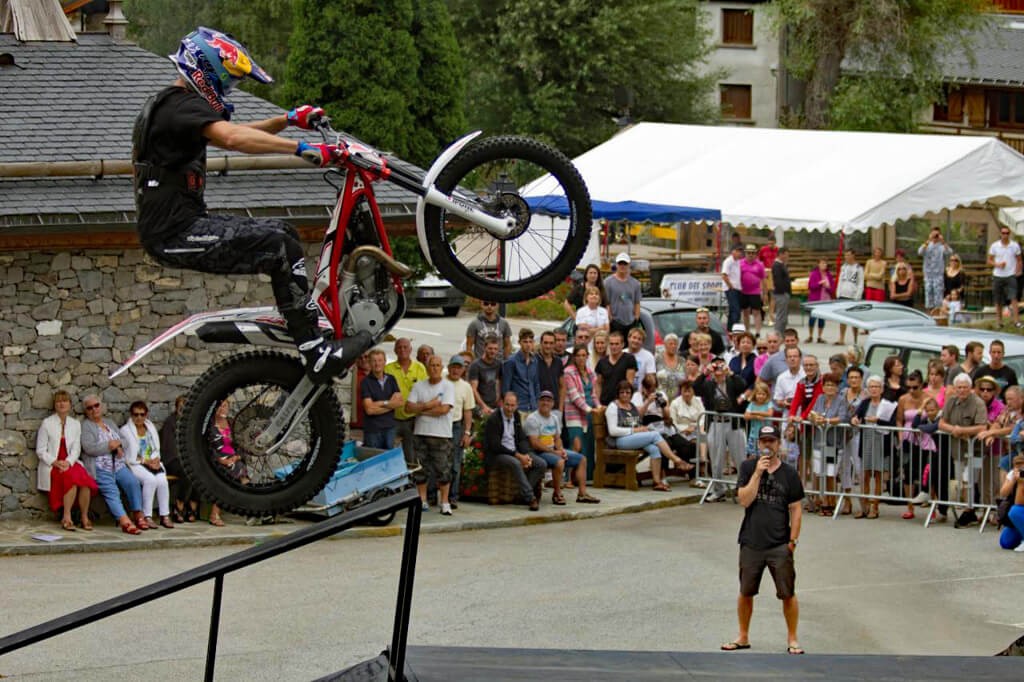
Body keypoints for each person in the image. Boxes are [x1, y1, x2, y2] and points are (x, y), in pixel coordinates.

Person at [134, 27, 371, 383]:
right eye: (228, 82)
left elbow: (235, 130)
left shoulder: (175, 106)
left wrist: (287, 120)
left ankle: (307, 315)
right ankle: (314, 350)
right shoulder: (177, 106)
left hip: (185, 225)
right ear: (207, 70)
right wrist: (300, 149)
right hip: (174, 233)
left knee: (282, 231)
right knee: (280, 246)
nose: (229, 92)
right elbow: (232, 137)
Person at [721, 424, 804, 655]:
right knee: (746, 591)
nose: (768, 445)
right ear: (758, 444)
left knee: (787, 593)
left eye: (772, 441)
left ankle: (793, 638)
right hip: (751, 541)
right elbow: (744, 500)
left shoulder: (789, 473)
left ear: (778, 444)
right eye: (764, 441)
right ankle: (743, 636)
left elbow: (796, 509)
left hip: (779, 542)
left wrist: (793, 541)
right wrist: (758, 473)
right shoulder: (748, 467)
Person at [79, 395, 146, 534]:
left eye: (96, 405)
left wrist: (119, 444)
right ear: (86, 411)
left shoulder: (109, 422)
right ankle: (125, 522)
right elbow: (89, 448)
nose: (94, 409)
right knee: (112, 491)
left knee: (132, 482)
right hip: (101, 466)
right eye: (89, 408)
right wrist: (110, 445)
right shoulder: (86, 426)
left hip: (119, 465)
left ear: (101, 406)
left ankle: (138, 514)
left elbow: (125, 441)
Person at [36, 390, 97, 532]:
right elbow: (40, 450)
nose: (62, 404)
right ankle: (67, 516)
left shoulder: (75, 424)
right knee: (71, 478)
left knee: (85, 481)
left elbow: (76, 449)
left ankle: (84, 516)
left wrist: (68, 462)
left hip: (70, 462)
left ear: (70, 404)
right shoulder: (47, 423)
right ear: (55, 405)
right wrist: (55, 462)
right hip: (53, 465)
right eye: (58, 401)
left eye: (65, 401)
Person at [526, 391, 600, 505]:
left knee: (582, 459)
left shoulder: (554, 418)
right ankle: (557, 493)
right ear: (538, 402)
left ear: (552, 403)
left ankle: (582, 494)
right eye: (543, 400)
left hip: (553, 450)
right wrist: (555, 452)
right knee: (560, 462)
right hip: (539, 452)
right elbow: (534, 443)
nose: (545, 403)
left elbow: (557, 438)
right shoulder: (532, 418)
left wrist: (561, 450)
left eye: (548, 400)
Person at [605, 381, 678, 491]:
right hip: (619, 441)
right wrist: (634, 430)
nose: (625, 394)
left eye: (627, 392)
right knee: (655, 435)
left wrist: (642, 429)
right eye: (622, 392)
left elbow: (637, 422)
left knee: (655, 449)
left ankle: (657, 482)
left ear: (631, 394)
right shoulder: (613, 407)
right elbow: (613, 431)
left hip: (633, 438)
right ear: (618, 394)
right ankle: (676, 459)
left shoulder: (631, 406)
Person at [405, 355, 455, 514]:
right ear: (427, 368)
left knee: (443, 469)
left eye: (437, 365)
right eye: (431, 365)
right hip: (420, 433)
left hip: (441, 434)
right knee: (421, 468)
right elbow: (408, 408)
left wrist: (421, 411)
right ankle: (422, 499)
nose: (434, 368)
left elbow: (443, 410)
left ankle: (445, 502)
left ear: (442, 368)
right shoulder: (419, 386)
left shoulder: (447, 386)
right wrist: (429, 405)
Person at [938, 373, 988, 528]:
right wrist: (954, 429)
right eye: (959, 387)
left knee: (970, 480)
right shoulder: (951, 402)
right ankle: (969, 511)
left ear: (970, 388)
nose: (962, 390)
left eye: (965, 387)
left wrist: (963, 430)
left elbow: (982, 426)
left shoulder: (978, 403)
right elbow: (941, 423)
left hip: (976, 450)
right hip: (957, 449)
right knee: (961, 480)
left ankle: (969, 510)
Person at [695, 358, 749, 501]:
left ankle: (744, 488)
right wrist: (704, 373)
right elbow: (695, 388)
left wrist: (730, 373)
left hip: (733, 423)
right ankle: (718, 489)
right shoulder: (708, 384)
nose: (718, 371)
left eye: (721, 367)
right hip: (715, 423)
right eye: (716, 367)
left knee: (740, 458)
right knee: (716, 459)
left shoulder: (732, 381)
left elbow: (743, 386)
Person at [483, 392, 547, 511]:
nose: (510, 408)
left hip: (515, 452)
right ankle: (530, 498)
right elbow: (495, 446)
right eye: (507, 405)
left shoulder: (516, 416)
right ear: (502, 403)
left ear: (517, 405)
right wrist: (518, 456)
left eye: (513, 405)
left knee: (541, 464)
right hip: (498, 454)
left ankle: (521, 494)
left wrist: (527, 455)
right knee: (516, 463)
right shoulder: (494, 418)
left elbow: (521, 439)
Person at [120, 400, 173, 529]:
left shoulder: (150, 428)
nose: (139, 418)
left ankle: (164, 515)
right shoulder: (125, 431)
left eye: (142, 414)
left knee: (162, 481)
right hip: (136, 464)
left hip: (153, 462)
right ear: (131, 415)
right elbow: (129, 454)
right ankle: (147, 516)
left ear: (146, 415)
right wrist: (145, 462)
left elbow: (156, 447)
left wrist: (155, 460)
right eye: (136, 414)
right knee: (150, 480)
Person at [851, 376, 896, 519]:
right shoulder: (865, 403)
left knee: (877, 475)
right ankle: (864, 506)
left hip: (881, 441)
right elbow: (856, 416)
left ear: (882, 389)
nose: (874, 389)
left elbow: (893, 423)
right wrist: (854, 419)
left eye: (877, 386)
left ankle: (874, 507)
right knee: (865, 474)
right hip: (866, 441)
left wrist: (878, 420)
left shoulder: (887, 404)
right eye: (871, 387)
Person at [807, 373, 850, 516]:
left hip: (833, 443)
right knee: (819, 472)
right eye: (827, 385)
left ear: (837, 387)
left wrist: (826, 421)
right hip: (819, 442)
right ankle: (822, 499)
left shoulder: (841, 400)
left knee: (830, 472)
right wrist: (815, 418)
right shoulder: (820, 398)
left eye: (832, 385)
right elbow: (811, 414)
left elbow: (843, 417)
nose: (829, 387)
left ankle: (830, 501)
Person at [386, 337, 427, 470]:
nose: (402, 350)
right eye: (399, 347)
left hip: (412, 420)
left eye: (405, 347)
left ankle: (413, 482)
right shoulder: (388, 369)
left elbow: (425, 392)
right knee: (389, 452)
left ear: (410, 349)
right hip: (393, 418)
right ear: (395, 350)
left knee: (412, 455)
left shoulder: (419, 368)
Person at [161, 395, 200, 523]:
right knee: (188, 471)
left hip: (188, 460)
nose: (183, 410)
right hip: (172, 460)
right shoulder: (170, 423)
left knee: (200, 470)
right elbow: (169, 447)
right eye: (181, 408)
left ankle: (192, 505)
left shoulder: (191, 424)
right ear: (176, 408)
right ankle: (180, 503)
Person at [208, 398, 247, 526]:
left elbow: (242, 444)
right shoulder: (210, 425)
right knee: (233, 472)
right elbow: (207, 446)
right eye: (220, 406)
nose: (222, 409)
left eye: (224, 406)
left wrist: (237, 457)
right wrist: (220, 460)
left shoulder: (232, 423)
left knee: (237, 468)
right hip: (217, 459)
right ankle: (214, 514)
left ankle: (216, 513)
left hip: (234, 458)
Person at [564, 343, 600, 479]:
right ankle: (570, 478)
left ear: (587, 356)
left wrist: (598, 407)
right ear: (574, 357)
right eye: (578, 355)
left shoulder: (591, 373)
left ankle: (586, 477)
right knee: (576, 445)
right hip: (575, 415)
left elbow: (594, 394)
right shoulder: (569, 372)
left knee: (589, 446)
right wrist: (590, 409)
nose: (581, 358)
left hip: (590, 415)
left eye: (584, 355)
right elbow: (574, 396)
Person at [447, 355, 475, 509]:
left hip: (456, 426)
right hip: (439, 426)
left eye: (459, 367)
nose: (456, 370)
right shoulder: (441, 382)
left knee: (455, 464)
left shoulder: (466, 387)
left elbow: (468, 411)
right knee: (436, 462)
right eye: (454, 367)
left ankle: (453, 496)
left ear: (463, 370)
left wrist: (467, 432)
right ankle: (432, 495)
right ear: (449, 367)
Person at [360, 349, 404, 450]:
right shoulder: (365, 382)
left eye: (380, 360)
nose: (377, 364)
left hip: (390, 428)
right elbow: (369, 410)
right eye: (374, 361)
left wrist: (380, 404)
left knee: (388, 460)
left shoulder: (391, 379)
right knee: (372, 460)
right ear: (370, 363)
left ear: (385, 362)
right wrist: (390, 404)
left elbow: (400, 402)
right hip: (372, 430)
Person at [669, 380, 706, 475]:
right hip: (682, 431)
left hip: (696, 427)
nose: (687, 394)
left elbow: (702, 416)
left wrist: (698, 426)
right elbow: (673, 422)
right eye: (684, 391)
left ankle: (703, 459)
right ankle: (696, 471)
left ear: (693, 391)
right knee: (693, 443)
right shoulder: (675, 403)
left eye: (689, 391)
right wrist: (684, 429)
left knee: (704, 435)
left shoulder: (698, 401)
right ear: (681, 391)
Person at [989, 225, 1023, 327]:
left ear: (1009, 234)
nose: (1005, 235)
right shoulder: (995, 246)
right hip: (998, 274)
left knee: (1013, 298)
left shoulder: (1014, 245)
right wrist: (997, 264)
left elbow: (1019, 259)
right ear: (1000, 234)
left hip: (1010, 274)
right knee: (998, 299)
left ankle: (1016, 321)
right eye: (1003, 233)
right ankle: (999, 321)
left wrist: (1018, 270)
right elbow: (989, 260)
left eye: (1007, 233)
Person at [594, 331, 637, 406]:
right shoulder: (602, 362)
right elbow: (598, 384)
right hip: (605, 403)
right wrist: (598, 403)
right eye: (611, 344)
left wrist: (625, 401)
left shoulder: (629, 359)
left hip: (622, 403)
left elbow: (630, 383)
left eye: (617, 344)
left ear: (622, 345)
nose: (614, 346)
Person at [605, 252, 643, 337]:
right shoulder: (608, 282)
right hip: (615, 322)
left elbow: (637, 303)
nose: (622, 266)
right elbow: (606, 303)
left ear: (629, 265)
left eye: (625, 263)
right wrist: (610, 319)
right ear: (616, 265)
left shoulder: (636, 283)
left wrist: (636, 319)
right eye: (620, 263)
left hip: (631, 322)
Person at [503, 328, 540, 414]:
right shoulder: (511, 361)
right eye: (525, 342)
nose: (528, 345)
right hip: (518, 408)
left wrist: (537, 403)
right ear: (519, 342)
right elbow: (506, 388)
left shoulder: (535, 361)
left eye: (530, 342)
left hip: (533, 407)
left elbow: (536, 384)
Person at [468, 334, 503, 418]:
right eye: (490, 348)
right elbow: (473, 389)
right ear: (484, 348)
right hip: (480, 406)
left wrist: (499, 399)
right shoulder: (476, 365)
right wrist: (483, 406)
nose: (493, 351)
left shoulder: (498, 364)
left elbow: (499, 382)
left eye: (495, 349)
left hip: (494, 405)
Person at [918, 227, 952, 312]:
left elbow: (949, 252)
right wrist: (928, 240)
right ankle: (929, 312)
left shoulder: (941, 246)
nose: (935, 236)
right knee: (928, 294)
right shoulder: (927, 245)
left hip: (938, 275)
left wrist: (943, 241)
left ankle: (937, 313)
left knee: (938, 296)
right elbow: (920, 252)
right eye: (934, 234)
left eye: (937, 234)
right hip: (928, 274)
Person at [835, 250, 864, 346]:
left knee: (854, 319)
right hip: (843, 293)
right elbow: (840, 280)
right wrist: (838, 292)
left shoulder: (859, 268)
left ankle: (855, 339)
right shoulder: (844, 267)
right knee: (842, 319)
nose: (846, 257)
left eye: (848, 255)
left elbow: (860, 283)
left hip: (853, 295)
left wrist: (858, 296)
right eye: (845, 255)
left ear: (853, 255)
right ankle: (841, 337)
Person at [997, 454, 1024, 550]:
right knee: (1005, 543)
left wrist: (1021, 484)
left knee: (1015, 511)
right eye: (1017, 465)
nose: (1021, 469)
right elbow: (1003, 493)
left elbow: (1020, 503)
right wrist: (1013, 480)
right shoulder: (1013, 474)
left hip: (1019, 509)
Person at [740, 244, 768, 337]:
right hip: (743, 292)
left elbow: (764, 279)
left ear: (755, 254)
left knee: (757, 312)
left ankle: (757, 332)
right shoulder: (740, 263)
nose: (751, 255)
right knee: (745, 312)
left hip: (755, 292)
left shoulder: (759, 264)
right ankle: (747, 331)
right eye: (748, 253)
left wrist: (765, 294)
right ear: (745, 253)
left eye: (752, 253)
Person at [744, 381, 776, 457]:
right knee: (752, 455)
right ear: (755, 394)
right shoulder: (752, 404)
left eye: (763, 394)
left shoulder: (769, 404)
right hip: (753, 435)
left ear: (767, 395)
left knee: (765, 456)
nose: (761, 396)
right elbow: (746, 416)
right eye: (759, 394)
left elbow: (769, 413)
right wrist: (756, 417)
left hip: (766, 436)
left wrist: (754, 412)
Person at [805, 259, 834, 343]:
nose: (824, 265)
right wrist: (819, 283)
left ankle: (819, 336)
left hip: (825, 300)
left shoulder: (829, 275)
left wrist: (827, 286)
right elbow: (810, 286)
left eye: (825, 263)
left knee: (822, 318)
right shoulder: (814, 274)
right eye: (822, 263)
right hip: (815, 299)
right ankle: (810, 336)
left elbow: (832, 289)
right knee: (812, 318)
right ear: (818, 264)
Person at [536, 330, 565, 408]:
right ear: (541, 343)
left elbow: (562, 386)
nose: (548, 346)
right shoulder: (533, 360)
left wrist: (560, 408)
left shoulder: (558, 361)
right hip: (538, 407)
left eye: (551, 343)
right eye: (545, 343)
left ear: (554, 344)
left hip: (554, 407)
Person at [656, 333, 687, 400]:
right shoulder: (657, 359)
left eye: (675, 344)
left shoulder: (682, 361)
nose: (673, 346)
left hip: (678, 399)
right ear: (665, 345)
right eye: (670, 344)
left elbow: (686, 379)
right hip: (661, 398)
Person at [721, 244, 744, 330]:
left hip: (737, 288)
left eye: (740, 251)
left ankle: (730, 329)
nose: (740, 253)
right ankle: (735, 329)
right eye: (738, 251)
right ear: (733, 251)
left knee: (733, 309)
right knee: (736, 310)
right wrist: (731, 286)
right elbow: (724, 275)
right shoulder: (728, 261)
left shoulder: (738, 261)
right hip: (731, 289)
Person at [626, 327, 656, 391]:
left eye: (639, 339)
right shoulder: (622, 353)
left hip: (640, 393)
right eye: (634, 337)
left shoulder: (648, 356)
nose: (636, 341)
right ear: (628, 338)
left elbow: (651, 378)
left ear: (642, 342)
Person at [771, 247, 792, 335]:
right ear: (781, 254)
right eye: (786, 255)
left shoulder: (782, 265)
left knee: (784, 316)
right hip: (781, 293)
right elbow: (778, 280)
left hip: (784, 293)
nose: (787, 257)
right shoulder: (777, 265)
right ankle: (778, 333)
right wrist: (784, 291)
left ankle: (782, 333)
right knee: (781, 315)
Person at [759, 235, 780, 318]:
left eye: (772, 244)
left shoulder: (778, 250)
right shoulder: (763, 249)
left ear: (775, 242)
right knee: (764, 294)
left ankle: (771, 314)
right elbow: (759, 261)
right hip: (765, 272)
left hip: (774, 272)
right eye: (769, 244)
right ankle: (765, 310)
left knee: (773, 294)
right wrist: (763, 270)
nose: (770, 245)